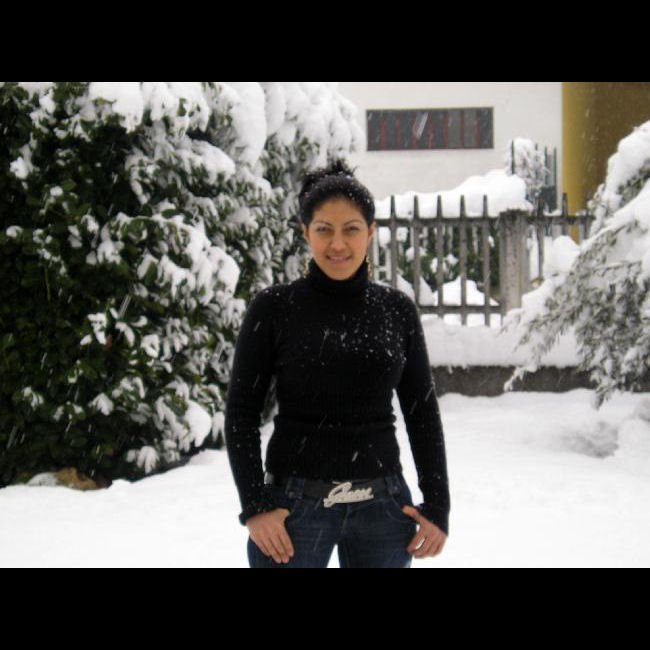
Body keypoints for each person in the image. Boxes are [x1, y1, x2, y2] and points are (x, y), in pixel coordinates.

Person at [224, 160, 450, 568]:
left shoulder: (396, 310)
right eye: (324, 229)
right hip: (292, 511)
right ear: (305, 232)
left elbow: (422, 413)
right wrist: (255, 505)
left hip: (384, 509)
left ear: (371, 231)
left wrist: (438, 505)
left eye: (351, 229)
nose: (338, 244)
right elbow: (241, 412)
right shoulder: (275, 308)